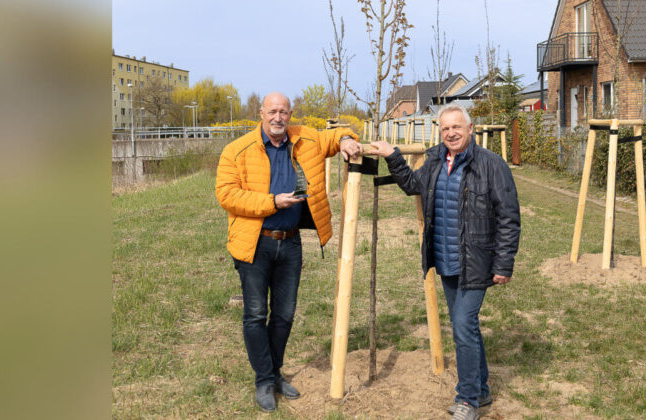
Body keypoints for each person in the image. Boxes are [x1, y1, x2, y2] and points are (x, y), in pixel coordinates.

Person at [369, 104, 520, 420]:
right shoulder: (436, 159)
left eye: (456, 127)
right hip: (446, 258)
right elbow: (413, 185)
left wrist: (504, 264)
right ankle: (481, 390)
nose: (450, 133)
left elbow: (509, 217)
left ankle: (466, 401)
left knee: (463, 327)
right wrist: (391, 155)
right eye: (445, 128)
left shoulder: (491, 165)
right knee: (466, 327)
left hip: (476, 261)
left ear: (470, 128)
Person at [215, 92, 362, 412]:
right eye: (272, 112)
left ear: (290, 114)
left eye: (283, 112)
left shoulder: (306, 139)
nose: (278, 117)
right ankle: (264, 380)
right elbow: (226, 195)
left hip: (291, 243)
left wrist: (349, 140)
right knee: (255, 314)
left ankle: (275, 372)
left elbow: (336, 135)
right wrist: (272, 202)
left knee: (284, 314)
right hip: (255, 243)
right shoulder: (236, 150)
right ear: (261, 113)